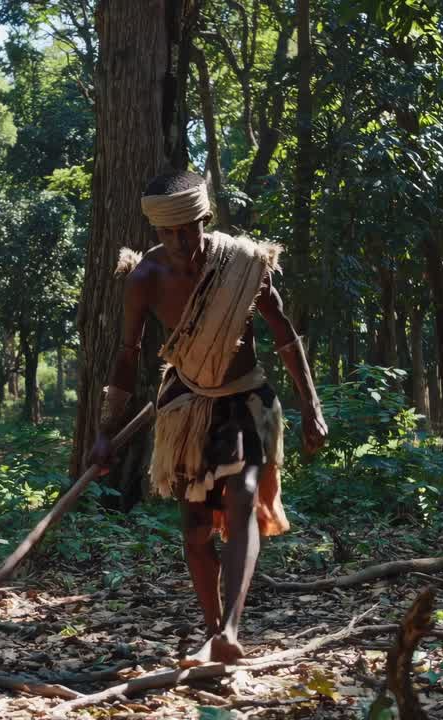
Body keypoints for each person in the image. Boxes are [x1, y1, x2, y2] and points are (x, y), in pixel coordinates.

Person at [88, 170, 328, 664]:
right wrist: (104, 432)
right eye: (167, 232)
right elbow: (128, 356)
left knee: (240, 498)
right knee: (195, 529)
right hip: (187, 405)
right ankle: (215, 630)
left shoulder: (243, 263)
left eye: (189, 228)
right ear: (155, 232)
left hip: (245, 397)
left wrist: (312, 408)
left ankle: (233, 629)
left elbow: (284, 335)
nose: (179, 241)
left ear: (205, 218)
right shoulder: (145, 279)